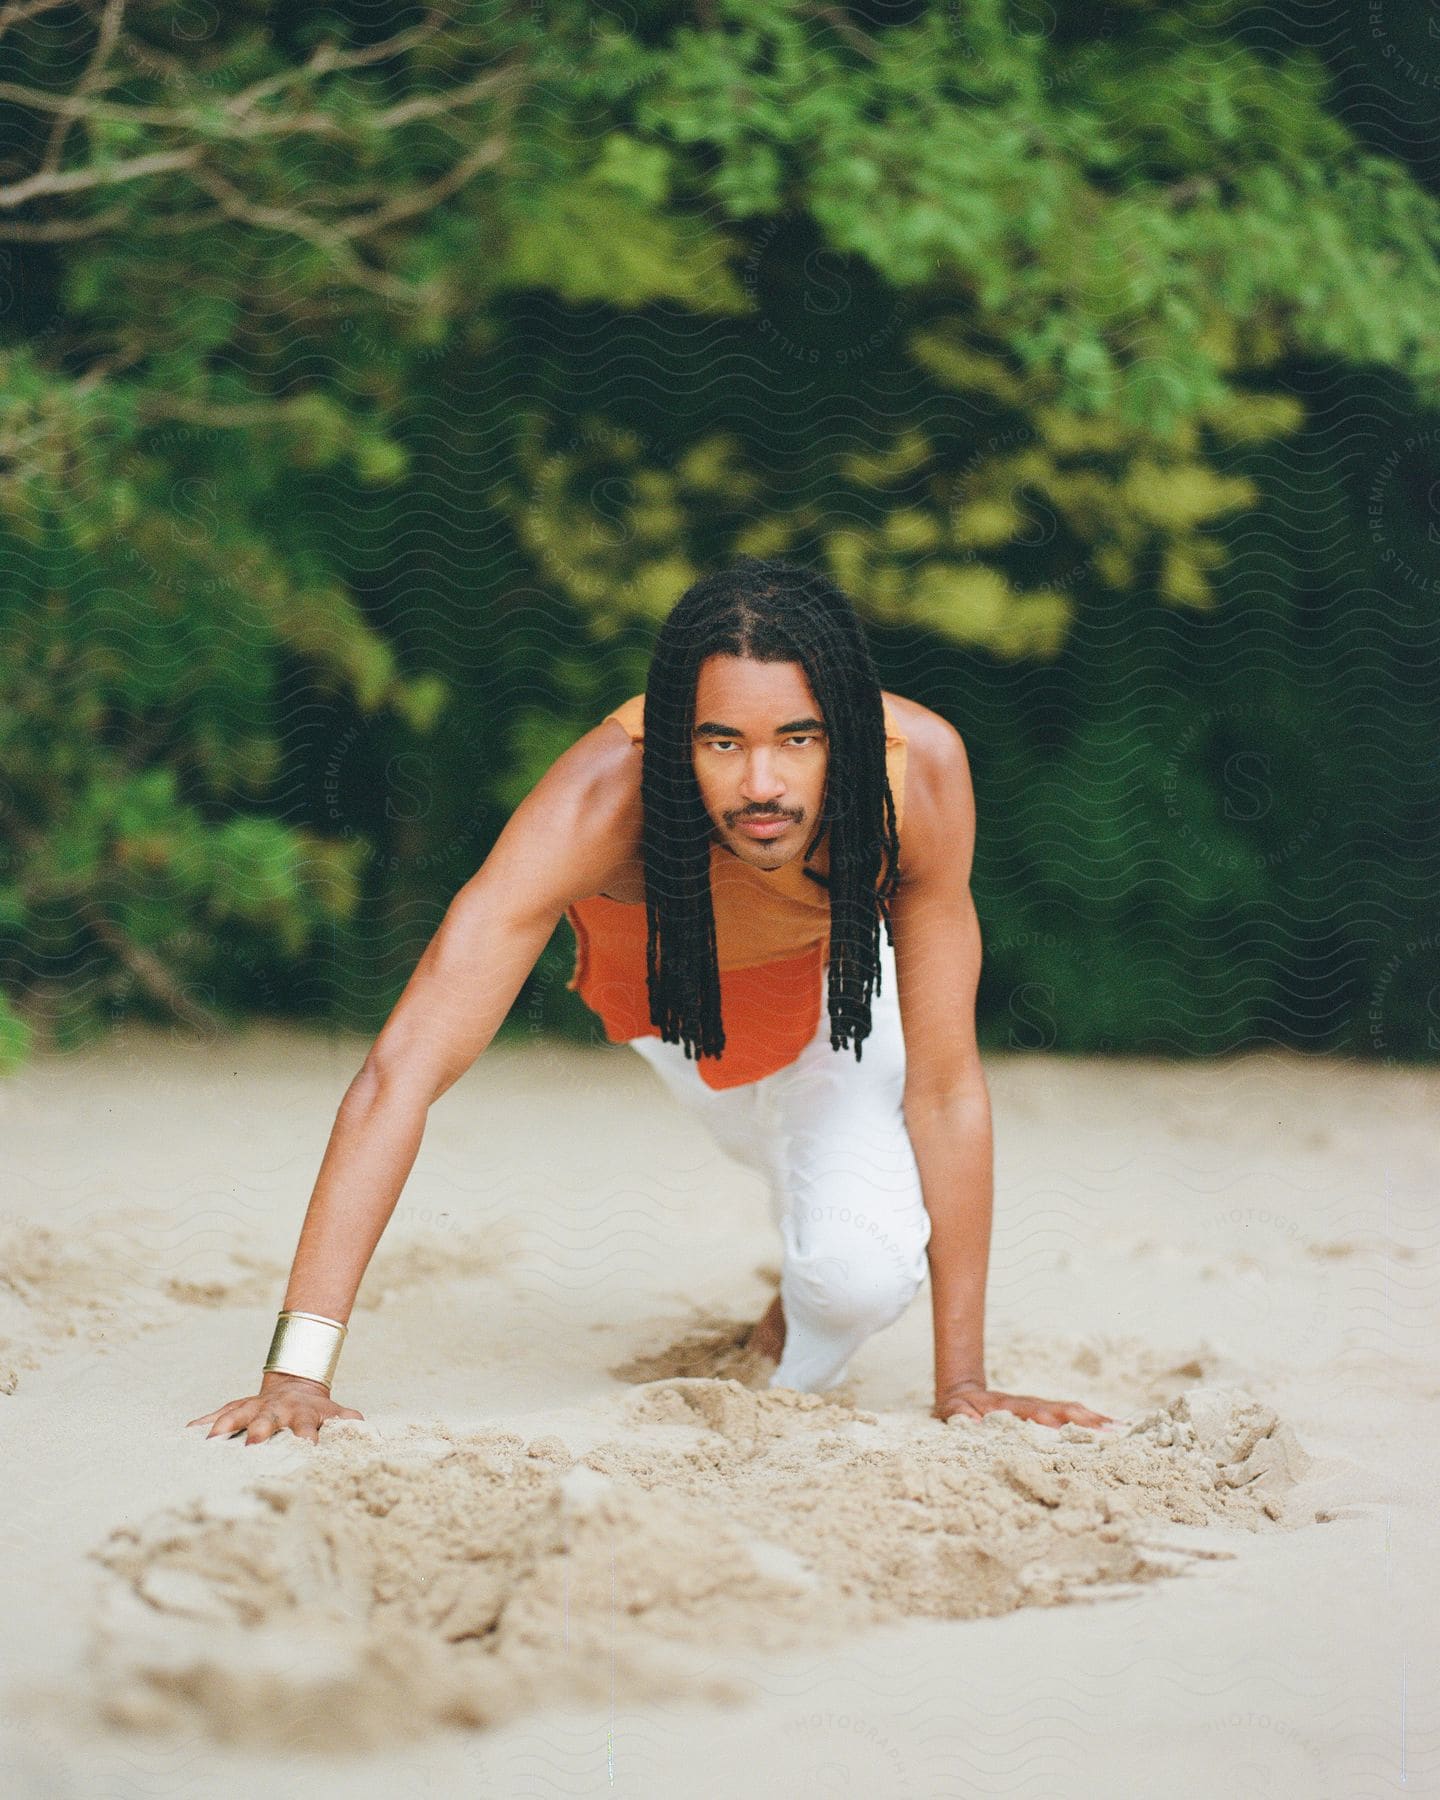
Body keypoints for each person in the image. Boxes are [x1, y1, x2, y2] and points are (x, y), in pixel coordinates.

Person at [188, 557, 1116, 1444]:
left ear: (849, 727)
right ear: (679, 740)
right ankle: (815, 1199)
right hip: (678, 1018)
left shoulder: (920, 776)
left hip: (839, 1005)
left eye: (800, 738)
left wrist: (964, 1384)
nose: (763, 784)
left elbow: (947, 1090)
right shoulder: (600, 801)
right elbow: (401, 1072)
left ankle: (788, 1332)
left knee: (857, 1281)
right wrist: (295, 1376)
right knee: (786, 1155)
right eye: (724, 743)